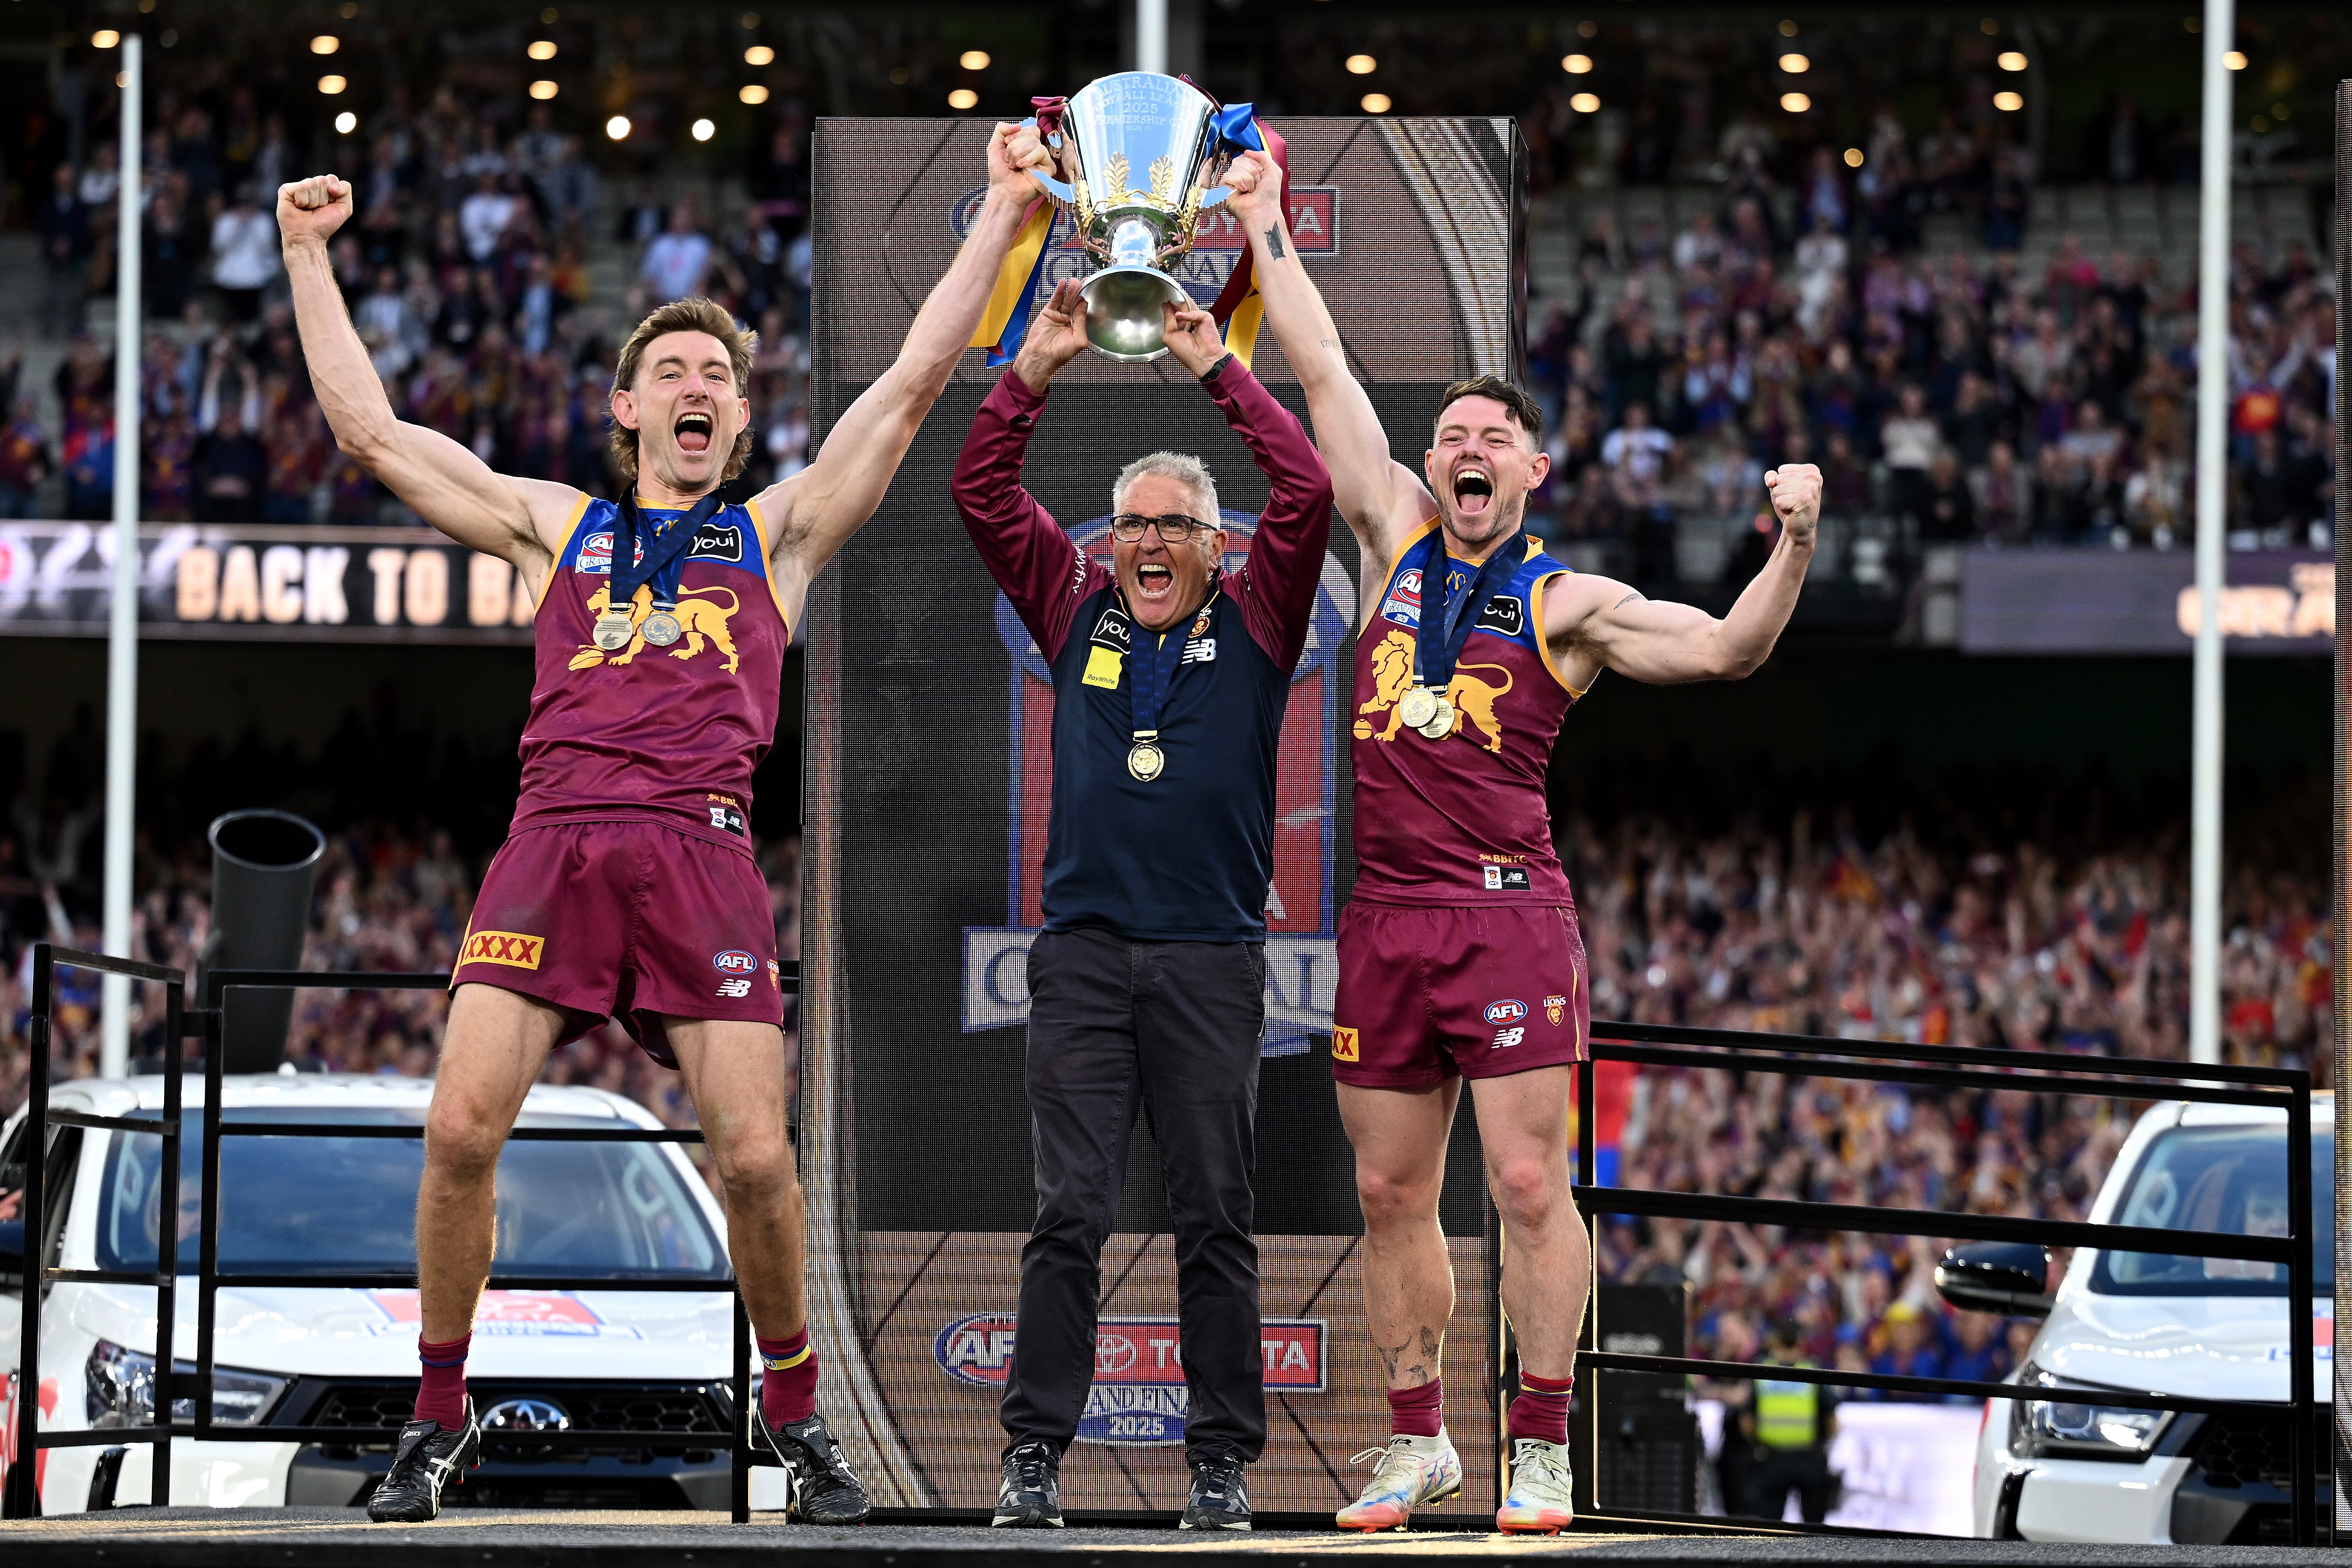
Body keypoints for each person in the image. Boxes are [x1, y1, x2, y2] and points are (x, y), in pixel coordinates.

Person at [274, 119, 1048, 1525]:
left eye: (720, 379)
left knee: (753, 1156)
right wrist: (304, 253)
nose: (699, 388)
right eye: (674, 372)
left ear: (740, 425)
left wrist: (1000, 215)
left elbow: (912, 382)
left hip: (701, 848)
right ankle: (436, 1416)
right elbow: (369, 433)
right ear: (626, 407)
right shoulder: (556, 527)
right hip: (554, 837)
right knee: (459, 1130)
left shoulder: (775, 537)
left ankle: (794, 1414)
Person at [1222, 149, 1821, 1535]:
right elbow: (1322, 371)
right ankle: (1417, 1440)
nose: (1467, 448)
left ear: (1533, 470)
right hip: (1385, 916)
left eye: (1494, 436)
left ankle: (1540, 1445)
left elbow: (1725, 651)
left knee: (1525, 1182)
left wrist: (1790, 541)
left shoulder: (1568, 602)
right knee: (1387, 1188)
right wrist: (1258, 220)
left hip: (1504, 914)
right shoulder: (1389, 538)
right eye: (1452, 434)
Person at [949, 279, 1334, 1533]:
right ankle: (1032, 1458)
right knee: (1069, 1211)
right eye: (1132, 524)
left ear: (1218, 547)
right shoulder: (1073, 608)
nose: (1151, 542)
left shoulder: (1263, 618)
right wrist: (1036, 365)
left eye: (1176, 524)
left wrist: (1219, 367)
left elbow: (1307, 490)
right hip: (1082, 959)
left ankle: (1219, 1463)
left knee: (1214, 1214)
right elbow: (979, 489)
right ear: (1108, 542)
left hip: (1212, 959)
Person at [1742, 1320, 1839, 1523]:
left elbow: (1747, 1421)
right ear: (1801, 1342)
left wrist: (1758, 1444)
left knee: (1768, 1529)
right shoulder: (1812, 1370)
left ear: (1775, 1341)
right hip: (1808, 1458)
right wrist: (1821, 1445)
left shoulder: (1762, 1372)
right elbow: (1833, 1422)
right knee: (1814, 1529)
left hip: (1771, 1457)